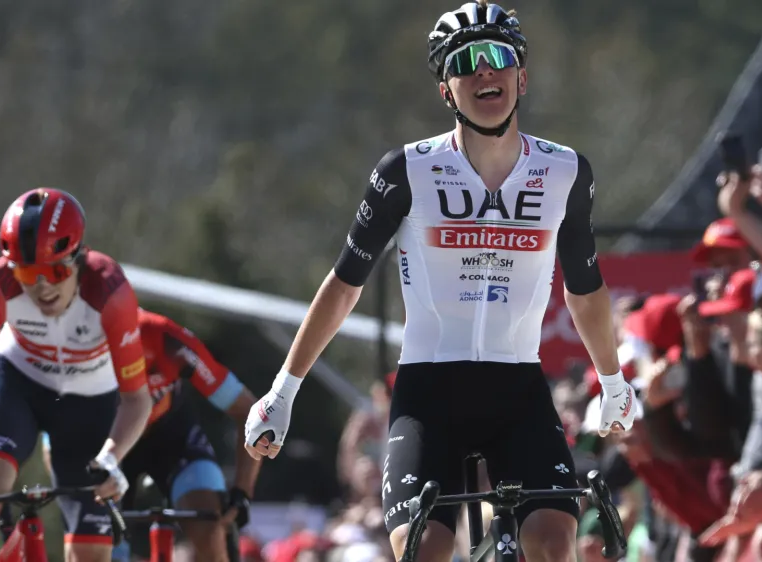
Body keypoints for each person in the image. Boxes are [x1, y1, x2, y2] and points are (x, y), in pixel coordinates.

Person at [242, 2, 639, 561]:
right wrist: (284, 391)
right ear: (445, 91)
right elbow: (344, 284)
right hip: (429, 394)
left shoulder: (566, 172)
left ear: (522, 77)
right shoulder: (406, 171)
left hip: (518, 391)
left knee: (555, 543)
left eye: (498, 56)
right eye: (465, 61)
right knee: (424, 550)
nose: (484, 71)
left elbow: (584, 289)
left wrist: (614, 380)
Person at [0, 188, 153, 562]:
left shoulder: (109, 291)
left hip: (89, 404)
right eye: (27, 272)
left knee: (90, 551)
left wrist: (112, 457)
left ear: (78, 258)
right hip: (18, 383)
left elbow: (138, 399)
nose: (42, 286)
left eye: (54, 271)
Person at [42, 307, 262, 562]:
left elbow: (248, 411)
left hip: (171, 436)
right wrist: (76, 498)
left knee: (209, 526)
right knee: (102, 546)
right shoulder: (73, 349)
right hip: (107, 446)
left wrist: (242, 491)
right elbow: (54, 439)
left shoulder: (167, 339)